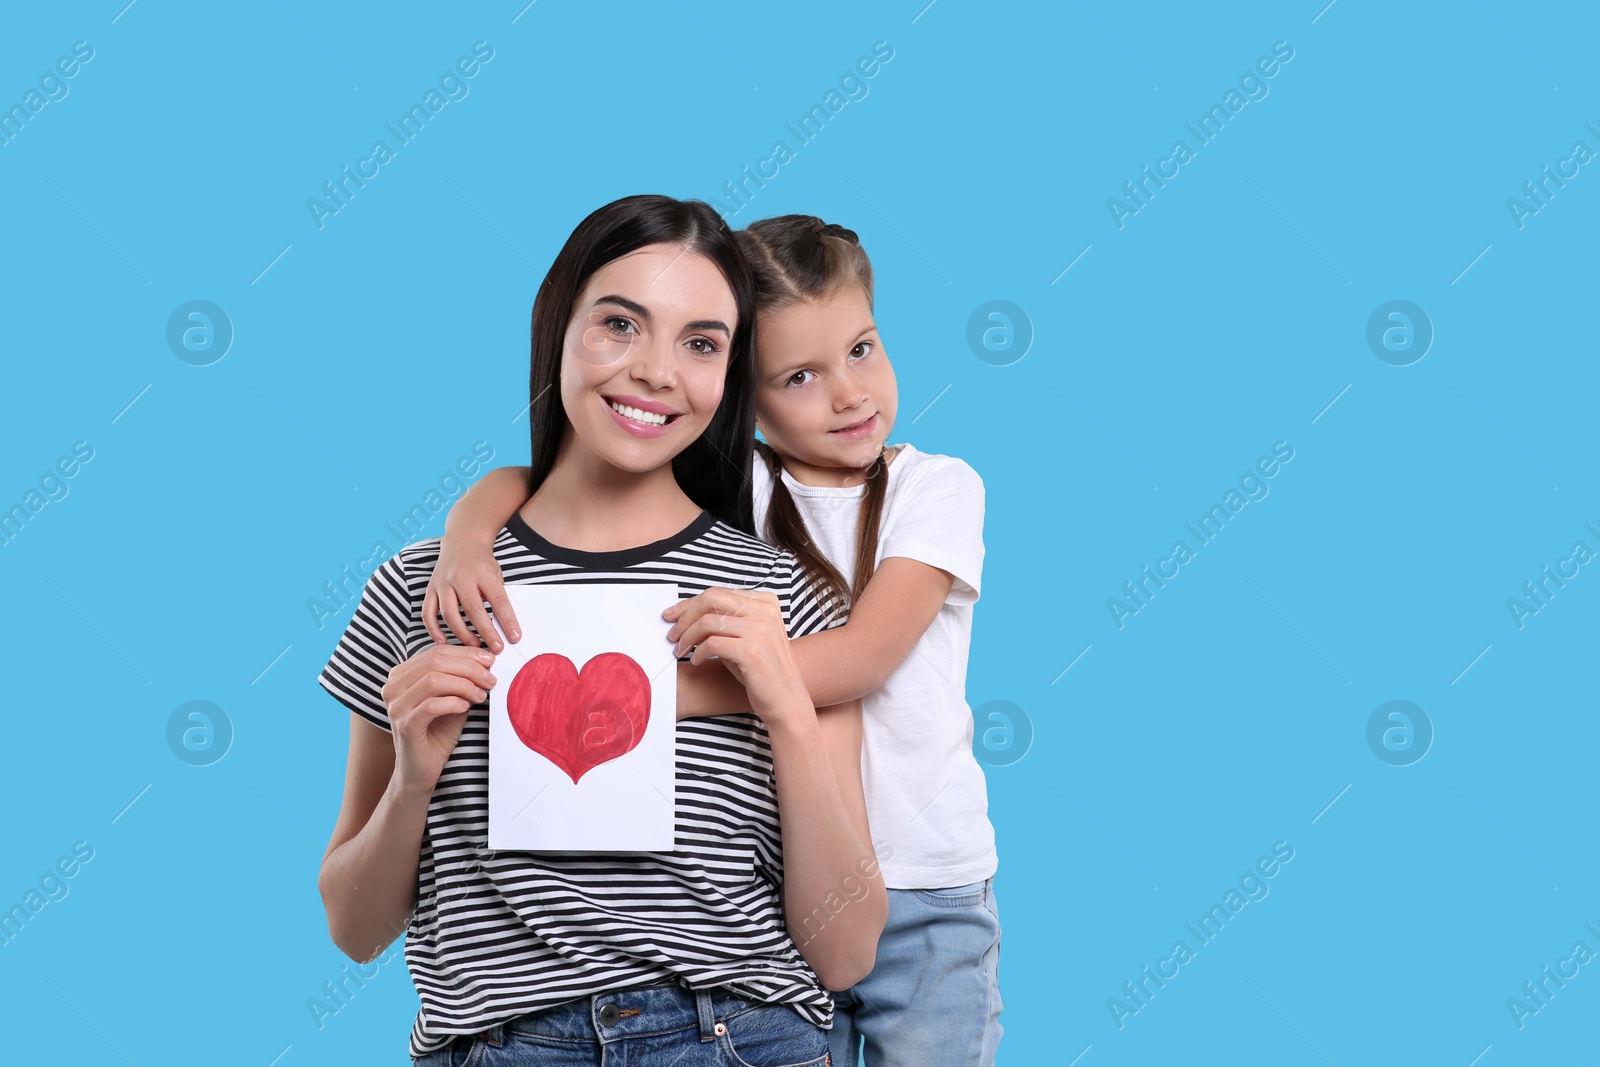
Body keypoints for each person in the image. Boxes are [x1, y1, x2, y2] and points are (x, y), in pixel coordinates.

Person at [316, 195, 886, 1066]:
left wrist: (788, 713)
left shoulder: (780, 596)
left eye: (700, 343)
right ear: (559, 327)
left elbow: (846, 951)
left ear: (729, 376)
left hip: (739, 1036)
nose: (657, 371)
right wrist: (413, 779)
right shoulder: (422, 588)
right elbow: (355, 930)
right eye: (621, 324)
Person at [424, 213, 1001, 1067]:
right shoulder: (742, 491)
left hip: (925, 883)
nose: (848, 393)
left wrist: (636, 688)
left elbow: (862, 656)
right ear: (745, 394)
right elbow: (530, 477)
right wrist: (466, 538)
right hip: (783, 894)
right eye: (799, 375)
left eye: (863, 349)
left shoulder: (936, 487)